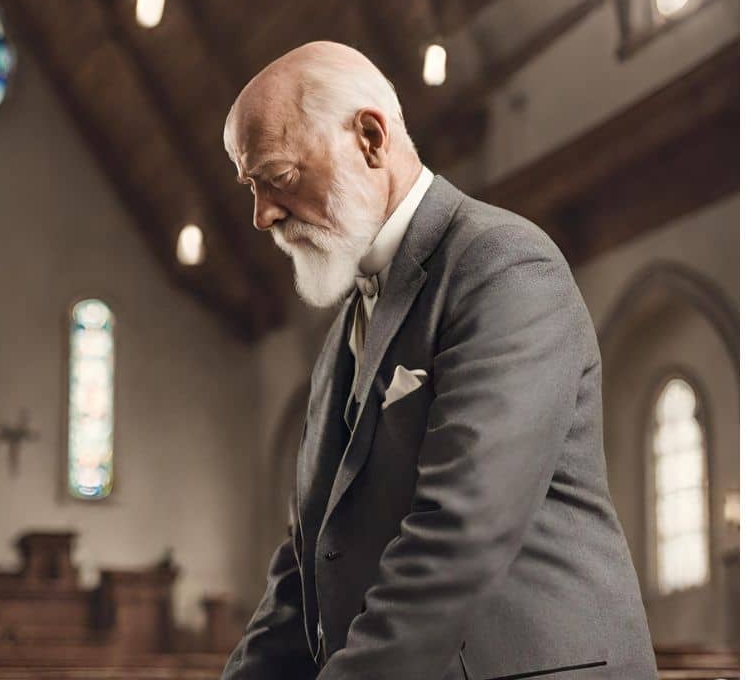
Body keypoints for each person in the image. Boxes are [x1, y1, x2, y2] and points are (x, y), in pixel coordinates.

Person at [219, 41, 656, 680]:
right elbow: (305, 564)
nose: (262, 216)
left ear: (370, 137)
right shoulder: (344, 331)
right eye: (252, 188)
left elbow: (460, 532)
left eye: (279, 178)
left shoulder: (502, 265)